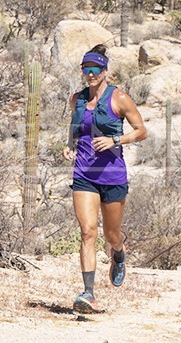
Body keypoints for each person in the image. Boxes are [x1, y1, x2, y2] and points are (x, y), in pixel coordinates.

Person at [62, 44, 147, 314]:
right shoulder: (77, 99)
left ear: (105, 71)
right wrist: (70, 145)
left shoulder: (119, 98)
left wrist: (115, 140)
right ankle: (88, 292)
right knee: (88, 232)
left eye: (95, 69)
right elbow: (75, 127)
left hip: (112, 175)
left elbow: (141, 131)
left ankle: (118, 252)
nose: (90, 74)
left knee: (111, 234)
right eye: (86, 69)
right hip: (84, 173)